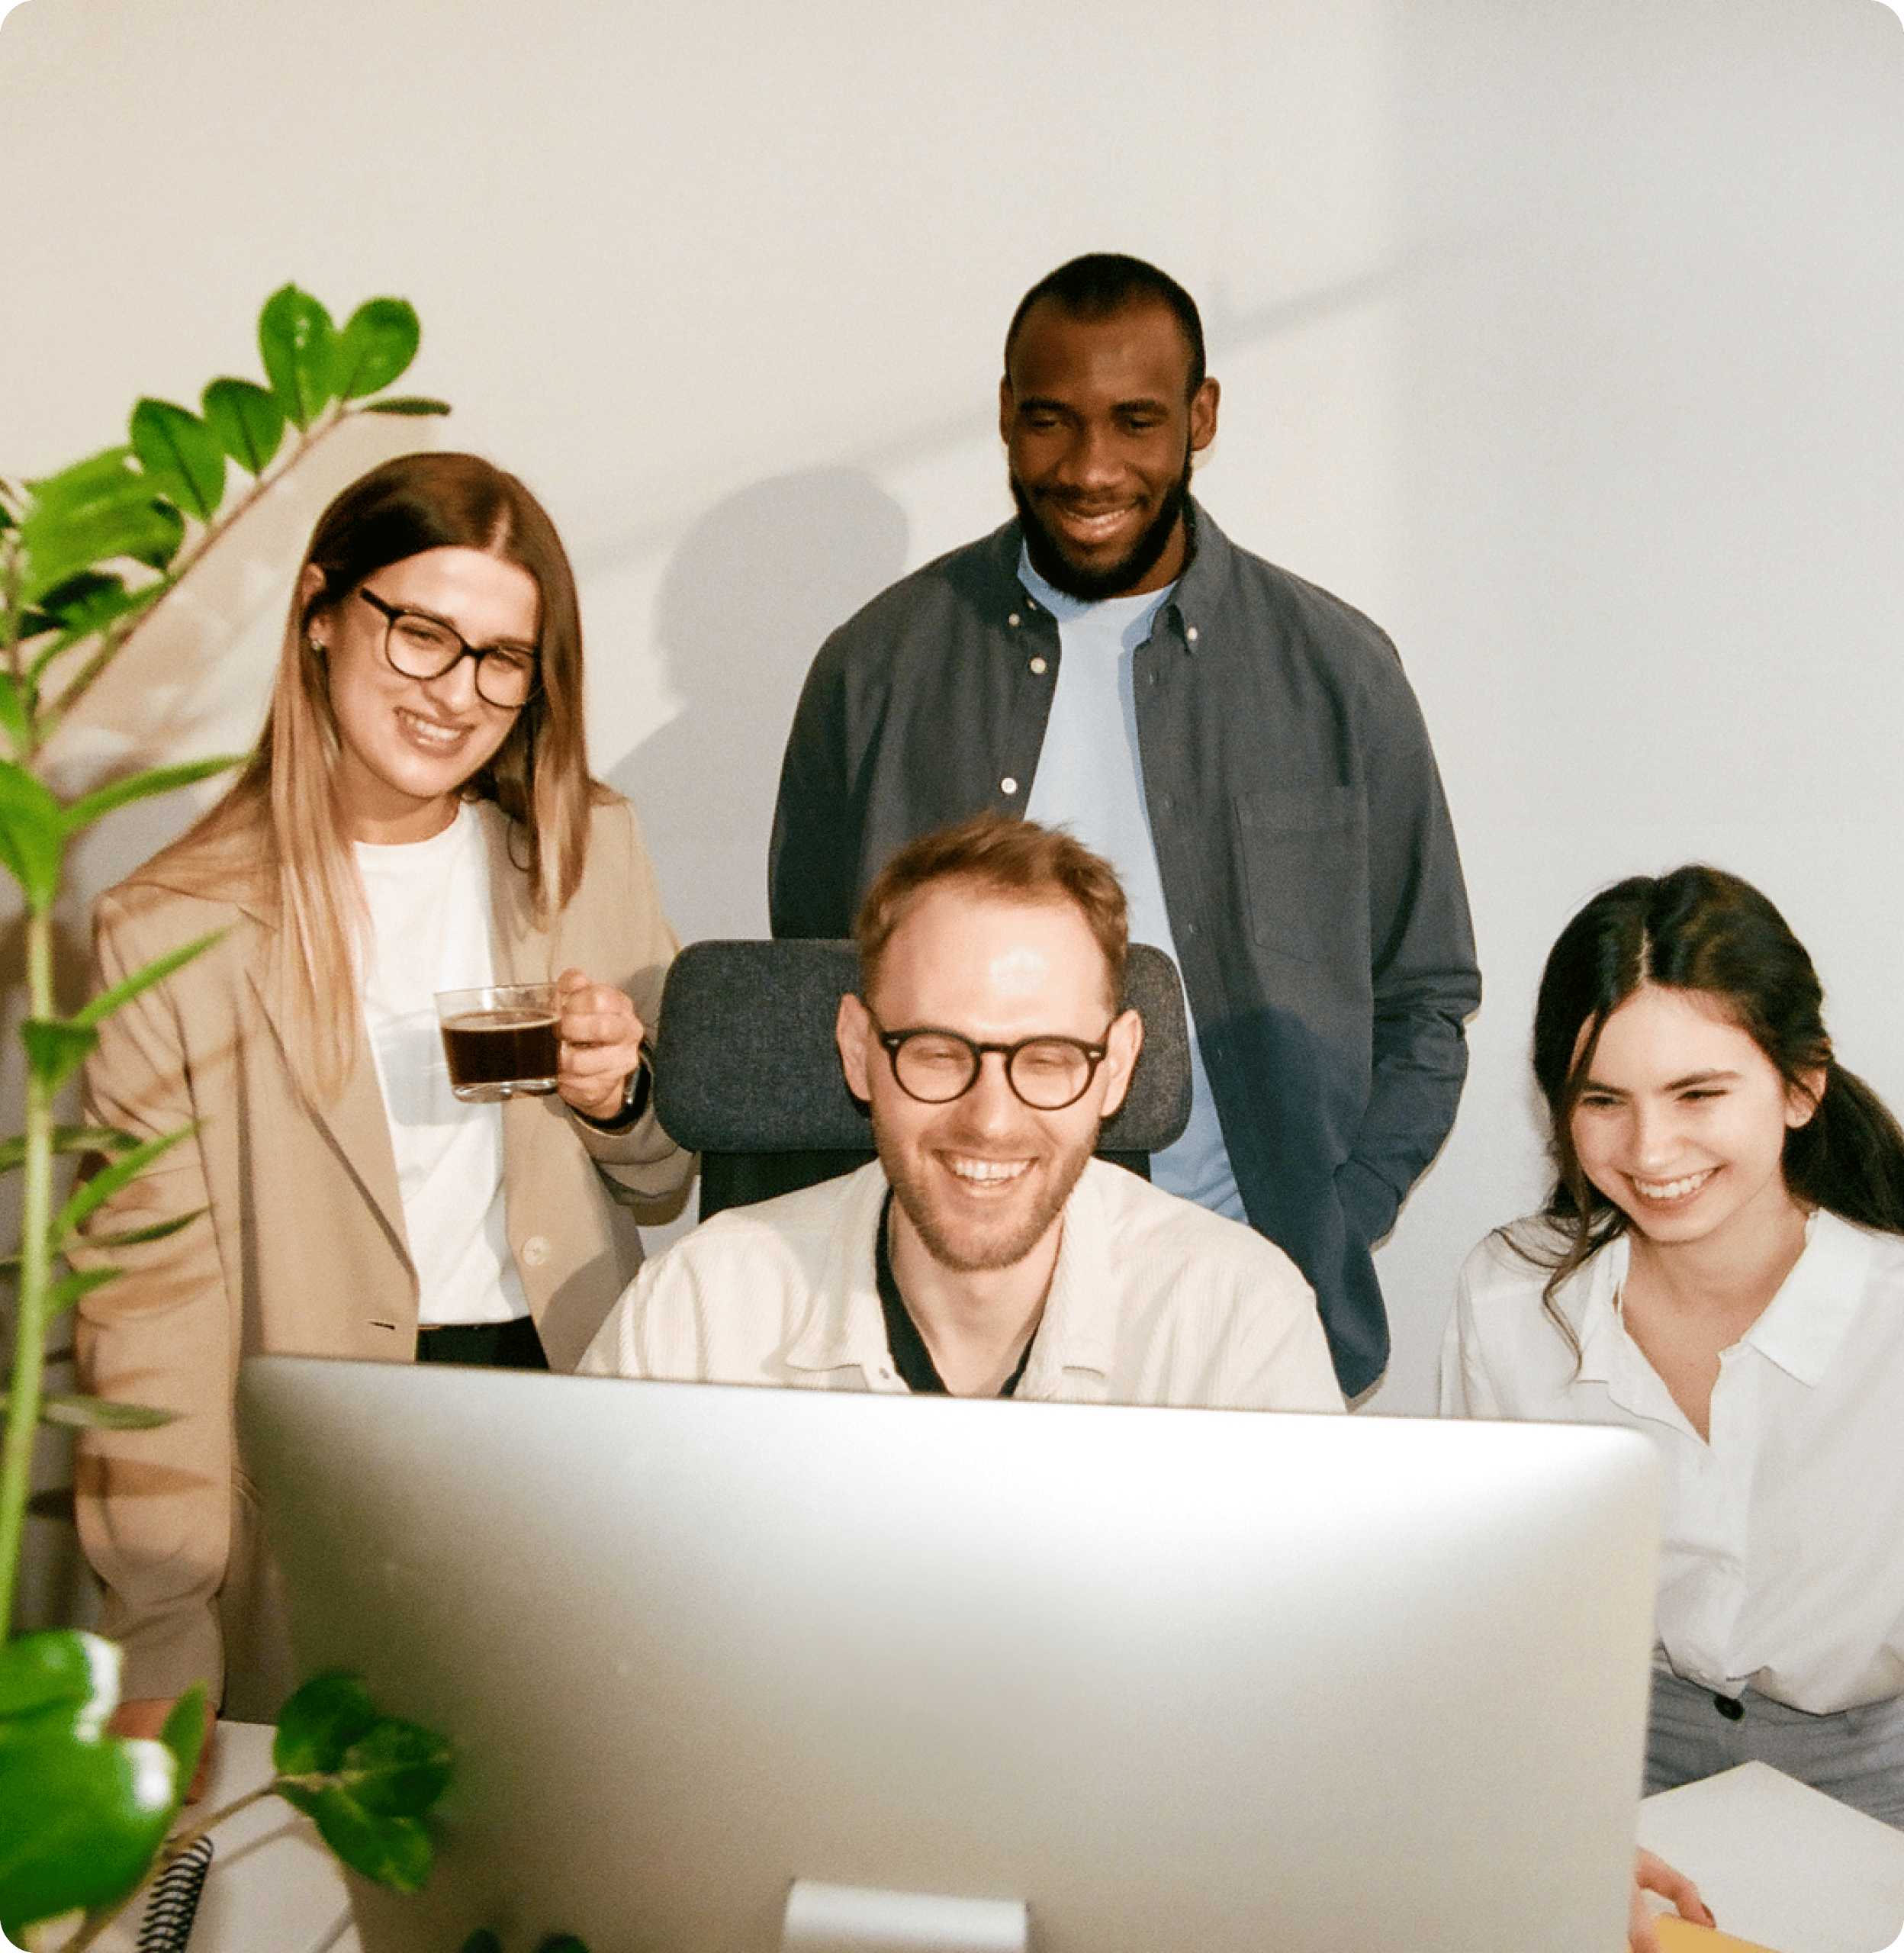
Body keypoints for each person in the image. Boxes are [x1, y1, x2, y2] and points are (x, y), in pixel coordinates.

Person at [769, 252, 1478, 1399]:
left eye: (1135, 421)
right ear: (1005, 415)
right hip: (943, 1323)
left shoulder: (1339, 673)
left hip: (1239, 1315)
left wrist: (1328, 1221)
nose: (1090, 467)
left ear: (1200, 418)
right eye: (1050, 421)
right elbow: (815, 989)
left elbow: (1427, 998)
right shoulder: (876, 671)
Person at [74, 452, 693, 1750]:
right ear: (320, 612)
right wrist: (164, 1625)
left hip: (565, 1417)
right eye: (421, 633)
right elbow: (149, 1314)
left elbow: (661, 1177)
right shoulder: (171, 927)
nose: (455, 692)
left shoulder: (588, 847)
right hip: (327, 1461)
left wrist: (617, 1091)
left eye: (501, 659)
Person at [1442, 865, 1904, 1935]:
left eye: (1699, 1095)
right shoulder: (1512, 1296)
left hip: (1876, 1768)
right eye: (1603, 1100)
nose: (1650, 1153)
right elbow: (1497, 1625)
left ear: (1800, 1086)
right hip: (1607, 1760)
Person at [584, 816, 1342, 1413]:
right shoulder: (699, 1316)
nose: (990, 1119)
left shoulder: (1238, 1322)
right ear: (858, 1049)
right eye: (940, 1051)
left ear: (1115, 1069)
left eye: (1046, 1057)